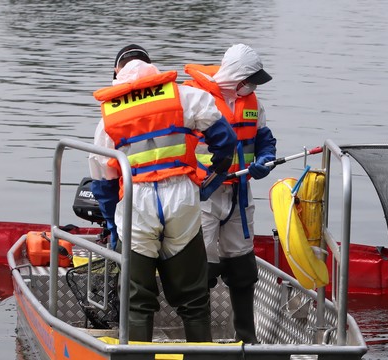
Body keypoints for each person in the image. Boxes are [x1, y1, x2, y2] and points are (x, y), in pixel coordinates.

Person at [88, 44, 237, 342]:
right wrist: (215, 169)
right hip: (181, 198)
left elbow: (103, 180)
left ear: (117, 72)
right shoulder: (184, 95)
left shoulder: (108, 117)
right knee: (193, 298)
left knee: (136, 298)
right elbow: (224, 137)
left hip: (136, 202)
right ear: (151, 66)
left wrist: (111, 222)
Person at [182, 44, 277, 344]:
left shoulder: (253, 103)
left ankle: (247, 339)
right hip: (204, 193)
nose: (252, 85)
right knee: (202, 268)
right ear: (236, 74)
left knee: (242, 266)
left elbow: (264, 139)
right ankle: (200, 342)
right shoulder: (192, 99)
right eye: (249, 78)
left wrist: (265, 160)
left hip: (239, 193)